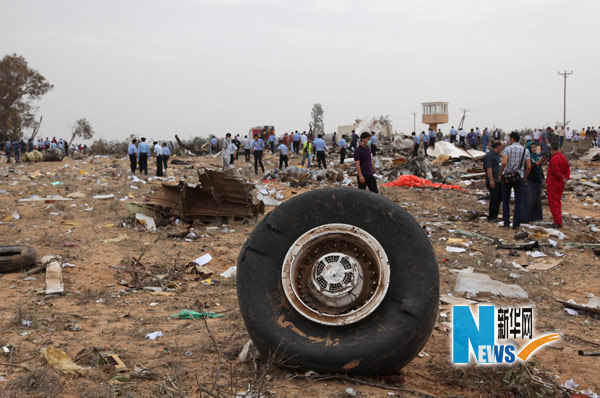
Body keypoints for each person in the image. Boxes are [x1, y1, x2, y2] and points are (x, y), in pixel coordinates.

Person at [499, 132, 531, 229]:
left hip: (507, 177)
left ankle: (506, 223)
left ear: (512, 139)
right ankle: (516, 224)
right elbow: (529, 167)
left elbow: (504, 162)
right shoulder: (525, 150)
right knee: (518, 201)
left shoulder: (507, 149)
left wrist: (500, 173)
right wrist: (525, 177)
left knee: (506, 200)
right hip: (519, 177)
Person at [546, 142, 570, 228]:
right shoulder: (563, 157)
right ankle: (558, 220)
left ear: (552, 149)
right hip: (560, 184)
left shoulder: (554, 159)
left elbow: (556, 172)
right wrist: (565, 178)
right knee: (557, 202)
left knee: (553, 203)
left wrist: (562, 178)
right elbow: (567, 168)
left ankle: (558, 222)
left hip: (553, 184)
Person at [522, 142, 544, 223]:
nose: (534, 149)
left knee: (537, 200)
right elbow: (530, 167)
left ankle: (537, 218)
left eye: (535, 147)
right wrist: (539, 162)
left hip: (538, 180)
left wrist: (543, 178)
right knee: (529, 200)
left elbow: (540, 168)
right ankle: (526, 218)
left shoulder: (537, 156)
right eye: (532, 147)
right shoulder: (527, 157)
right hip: (530, 180)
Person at [483, 141, 503, 221]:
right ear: (498, 146)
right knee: (494, 199)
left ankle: (495, 216)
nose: (501, 148)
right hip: (493, 180)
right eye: (501, 146)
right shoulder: (489, 155)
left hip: (498, 181)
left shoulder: (497, 156)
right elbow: (489, 168)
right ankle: (492, 217)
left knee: (499, 198)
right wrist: (491, 180)